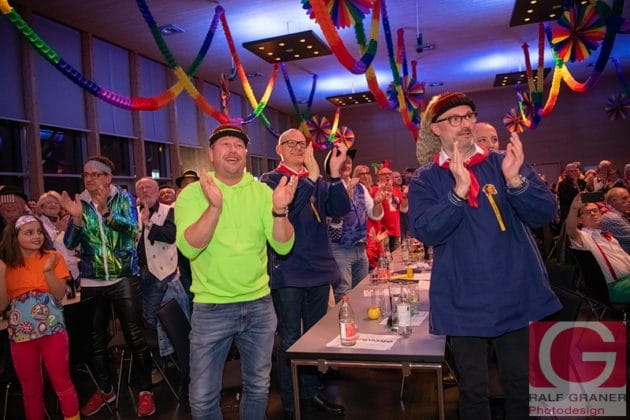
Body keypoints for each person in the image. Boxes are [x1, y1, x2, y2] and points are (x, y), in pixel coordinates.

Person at [409, 91, 561, 420]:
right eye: (455, 118)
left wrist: (515, 180)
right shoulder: (426, 178)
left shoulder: (503, 162)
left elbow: (544, 214)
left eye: (469, 116)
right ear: (436, 128)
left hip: (514, 293)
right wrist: (457, 193)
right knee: (473, 392)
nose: (465, 123)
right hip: (462, 299)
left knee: (521, 387)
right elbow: (425, 231)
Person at [174, 124, 297, 419]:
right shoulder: (193, 194)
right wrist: (215, 207)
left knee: (258, 387)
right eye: (225, 144)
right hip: (211, 308)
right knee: (202, 399)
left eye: (239, 145)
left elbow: (283, 246)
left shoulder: (262, 192)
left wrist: (280, 210)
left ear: (246, 153)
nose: (233, 150)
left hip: (259, 305)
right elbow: (190, 248)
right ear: (211, 154)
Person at [260, 128, 350, 419]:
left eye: (303, 143)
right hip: (288, 271)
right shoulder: (270, 180)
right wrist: (310, 178)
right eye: (291, 143)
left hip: (318, 269)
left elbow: (340, 209)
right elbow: (290, 211)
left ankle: (311, 393)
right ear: (279, 149)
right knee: (290, 337)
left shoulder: (317, 179)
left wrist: (333, 175)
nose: (299, 148)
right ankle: (291, 402)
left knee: (314, 336)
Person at [60, 156, 156, 417]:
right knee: (95, 341)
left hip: (123, 276)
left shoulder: (123, 198)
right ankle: (105, 389)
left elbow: (133, 230)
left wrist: (106, 213)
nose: (89, 179)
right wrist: (76, 220)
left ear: (108, 177)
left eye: (95, 174)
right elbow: (69, 243)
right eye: (86, 174)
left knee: (134, 336)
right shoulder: (80, 203)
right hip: (91, 279)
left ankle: (145, 390)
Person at [0, 214, 80, 420]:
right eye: (29, 232)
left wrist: (47, 271)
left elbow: (59, 294)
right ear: (14, 237)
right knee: (31, 390)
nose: (36, 236)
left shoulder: (53, 257)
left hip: (53, 333)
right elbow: (2, 305)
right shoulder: (7, 266)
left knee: (62, 383)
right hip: (21, 337)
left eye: (38, 232)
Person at [324, 148, 384, 302]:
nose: (346, 165)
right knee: (343, 293)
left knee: (362, 291)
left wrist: (377, 202)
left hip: (361, 247)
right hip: (340, 249)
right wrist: (346, 195)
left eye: (349, 162)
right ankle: (344, 318)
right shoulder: (328, 188)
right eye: (342, 162)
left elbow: (374, 214)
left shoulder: (361, 188)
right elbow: (330, 219)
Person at [135, 177, 178, 345]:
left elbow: (170, 236)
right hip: (137, 273)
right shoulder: (132, 212)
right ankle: (156, 352)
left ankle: (161, 353)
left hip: (161, 272)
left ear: (157, 192)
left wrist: (148, 224)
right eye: (141, 189)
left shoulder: (169, 210)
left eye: (149, 188)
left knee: (153, 316)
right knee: (141, 315)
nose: (145, 191)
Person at [566, 194, 630, 302]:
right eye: (587, 212)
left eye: (595, 210)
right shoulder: (583, 237)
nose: (593, 214)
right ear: (579, 220)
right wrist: (574, 209)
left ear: (601, 214)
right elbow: (571, 231)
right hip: (616, 286)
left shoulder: (607, 236)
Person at [370, 162, 408, 252]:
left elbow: (404, 209)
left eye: (389, 174)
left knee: (396, 257)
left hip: (395, 231)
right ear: (378, 177)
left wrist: (405, 197)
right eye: (384, 174)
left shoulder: (396, 190)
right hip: (382, 232)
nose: (387, 176)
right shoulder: (374, 190)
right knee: (384, 257)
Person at [601, 187, 630, 254]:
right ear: (613, 201)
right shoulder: (611, 218)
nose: (629, 200)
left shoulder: (617, 213)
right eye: (625, 198)